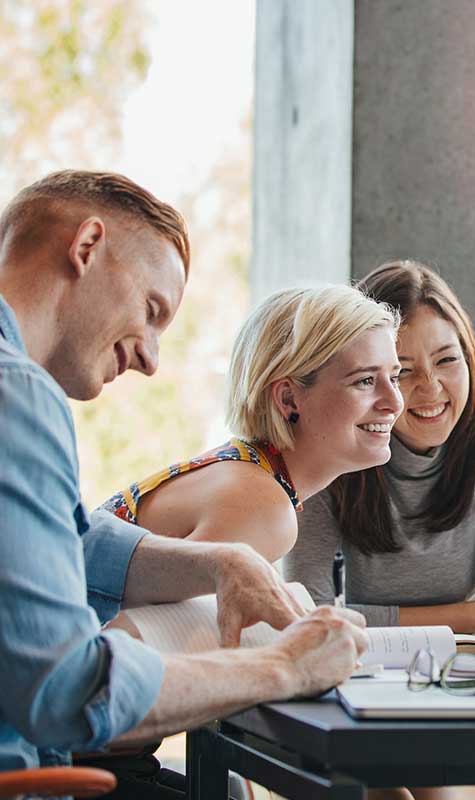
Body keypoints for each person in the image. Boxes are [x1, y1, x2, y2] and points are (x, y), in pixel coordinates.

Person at [0, 170, 367, 789]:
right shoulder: (20, 394)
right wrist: (284, 667)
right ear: (86, 247)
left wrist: (220, 563)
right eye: (151, 310)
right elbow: (68, 691)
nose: (149, 357)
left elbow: (62, 538)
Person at [285, 261, 475, 800]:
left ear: (470, 357)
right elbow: (307, 618)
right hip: (351, 681)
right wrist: (471, 615)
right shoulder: (331, 451)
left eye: (447, 360)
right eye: (402, 370)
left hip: (463, 682)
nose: (429, 389)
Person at [99, 283, 405, 565]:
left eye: (394, 377)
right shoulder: (262, 508)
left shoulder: (250, 473)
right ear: (288, 399)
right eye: (365, 381)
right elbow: (144, 623)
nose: (395, 402)